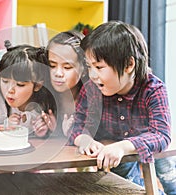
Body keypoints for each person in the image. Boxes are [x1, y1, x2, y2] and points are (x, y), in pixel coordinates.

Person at [69, 20, 175, 193]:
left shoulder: (153, 89)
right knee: (130, 186)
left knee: (169, 176)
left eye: (99, 67)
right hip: (114, 151)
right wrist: (83, 138)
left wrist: (124, 146)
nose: (92, 75)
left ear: (128, 65)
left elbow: (161, 135)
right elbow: (76, 124)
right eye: (89, 67)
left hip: (146, 146)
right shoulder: (91, 89)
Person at [0, 43, 56, 137]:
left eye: (20, 84)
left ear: (38, 85)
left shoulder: (45, 105)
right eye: (5, 81)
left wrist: (45, 133)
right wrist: (5, 126)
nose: (9, 90)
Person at [32, 30, 87, 138]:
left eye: (67, 67)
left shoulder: (92, 98)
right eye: (52, 66)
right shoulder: (44, 97)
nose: (58, 73)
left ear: (84, 69)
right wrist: (48, 130)